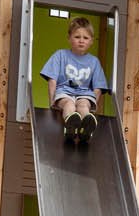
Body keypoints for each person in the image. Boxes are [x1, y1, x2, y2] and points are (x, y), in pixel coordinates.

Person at [39, 17, 109, 145]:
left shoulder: (94, 62)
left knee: (83, 105)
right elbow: (52, 80)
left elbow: (98, 87)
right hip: (64, 92)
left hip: (84, 94)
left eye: (85, 38)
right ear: (69, 38)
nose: (81, 41)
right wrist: (52, 102)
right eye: (77, 37)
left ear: (91, 41)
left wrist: (94, 106)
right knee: (69, 104)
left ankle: (86, 127)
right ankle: (70, 127)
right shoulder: (60, 55)